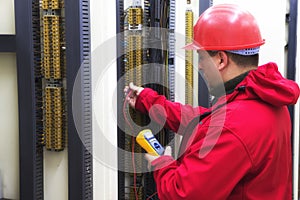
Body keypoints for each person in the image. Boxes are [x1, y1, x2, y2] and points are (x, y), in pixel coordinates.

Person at [124, 4, 300, 199]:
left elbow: (181, 193)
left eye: (201, 57)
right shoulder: (264, 98)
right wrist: (148, 101)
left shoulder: (233, 125)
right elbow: (201, 120)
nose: (199, 66)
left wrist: (162, 163)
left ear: (221, 60)